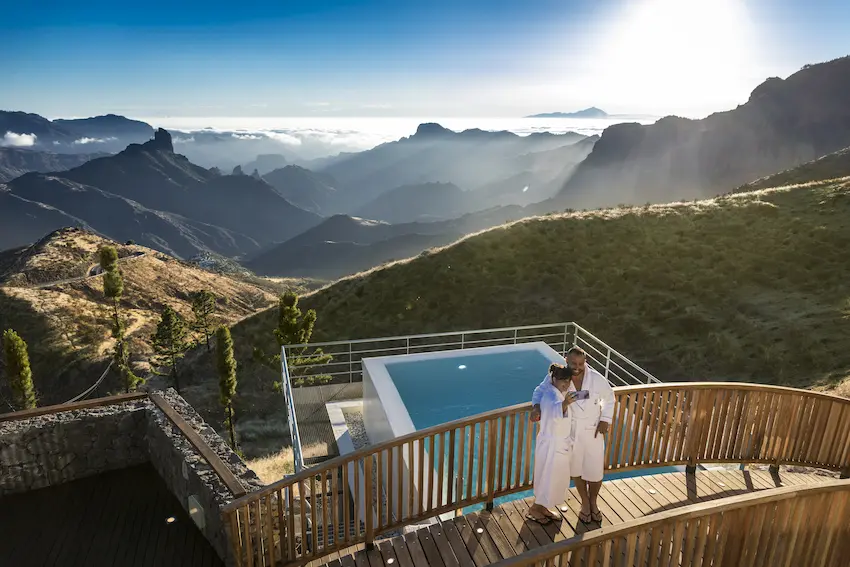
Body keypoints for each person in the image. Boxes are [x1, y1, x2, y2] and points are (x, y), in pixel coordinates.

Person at [530, 347, 615, 525]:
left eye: (580, 363)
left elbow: (610, 398)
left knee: (595, 471)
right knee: (576, 470)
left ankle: (593, 502)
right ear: (566, 359)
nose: (577, 367)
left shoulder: (597, 379)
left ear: (585, 361)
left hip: (593, 430)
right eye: (573, 363)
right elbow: (539, 391)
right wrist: (536, 406)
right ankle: (584, 503)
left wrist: (605, 419)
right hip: (570, 433)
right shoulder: (560, 376)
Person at [526, 363, 579, 524]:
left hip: (559, 442)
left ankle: (544, 507)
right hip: (552, 444)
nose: (566, 384)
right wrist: (564, 405)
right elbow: (551, 411)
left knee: (555, 477)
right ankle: (535, 509)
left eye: (568, 380)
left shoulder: (560, 392)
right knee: (549, 476)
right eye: (562, 380)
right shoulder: (551, 395)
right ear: (553, 379)